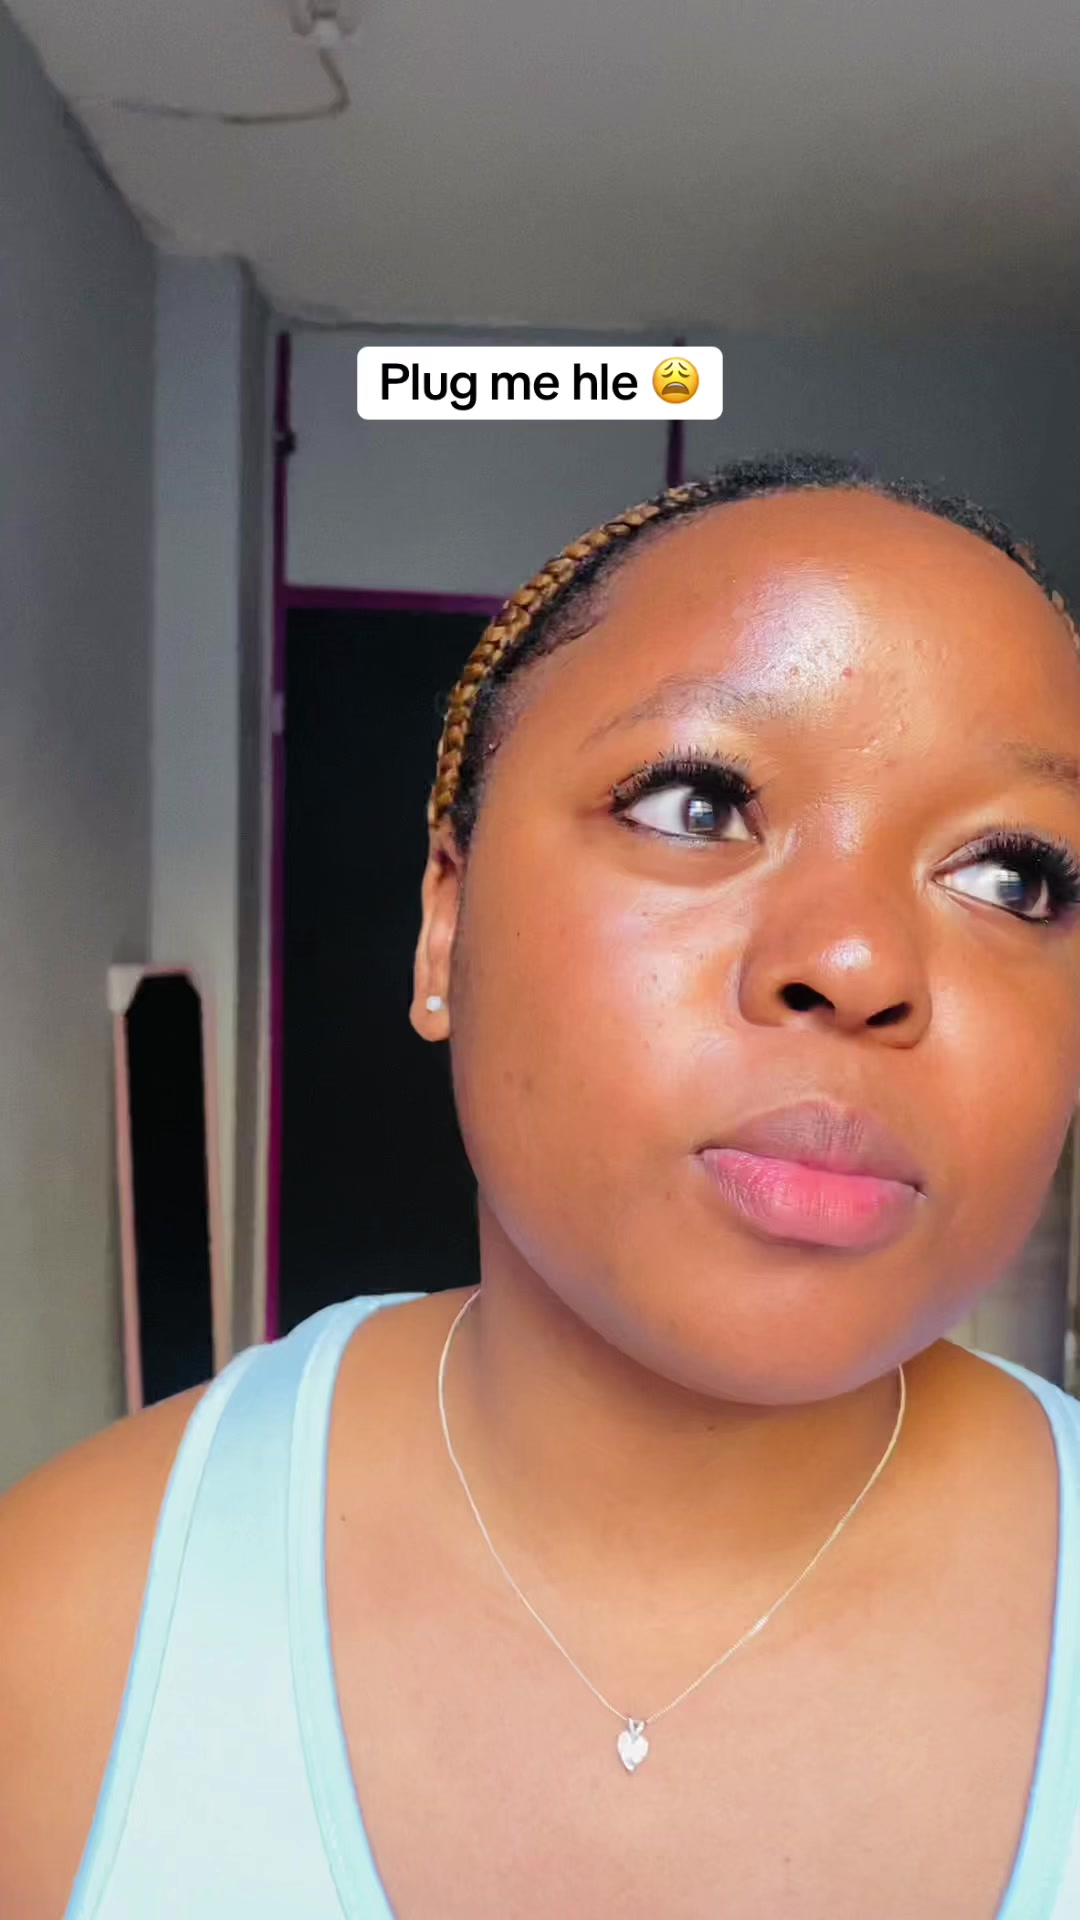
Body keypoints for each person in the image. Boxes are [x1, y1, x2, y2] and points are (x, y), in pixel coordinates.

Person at [2, 452, 1080, 1920]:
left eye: (1014, 878)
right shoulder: (64, 1629)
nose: (857, 962)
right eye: (697, 802)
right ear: (444, 925)